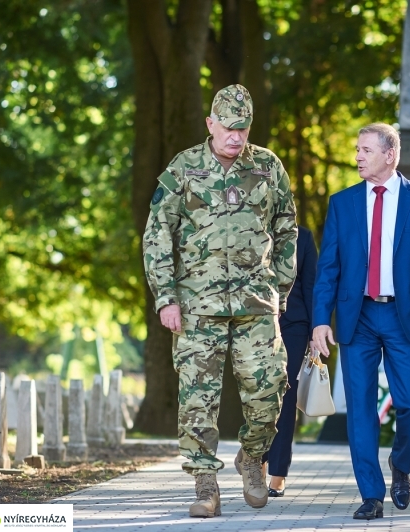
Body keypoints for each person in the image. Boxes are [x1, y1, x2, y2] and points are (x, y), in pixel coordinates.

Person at [142, 84, 297, 517]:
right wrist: (166, 298)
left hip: (256, 303)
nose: (235, 135)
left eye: (242, 128)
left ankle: (252, 457)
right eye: (228, 127)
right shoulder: (184, 168)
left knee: (269, 388)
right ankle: (205, 485)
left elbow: (286, 229)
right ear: (210, 123)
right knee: (197, 400)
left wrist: (280, 290)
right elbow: (157, 234)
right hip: (196, 305)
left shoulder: (268, 167)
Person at [311, 123, 410, 520]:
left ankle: (400, 462)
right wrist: (320, 320)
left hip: (403, 315)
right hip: (356, 316)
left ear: (389, 155)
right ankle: (371, 495)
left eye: (366, 150)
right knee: (360, 409)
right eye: (357, 150)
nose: (357, 156)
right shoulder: (342, 203)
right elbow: (328, 269)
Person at [263, 226, 318, 496]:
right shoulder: (249, 225)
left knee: (286, 395)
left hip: (294, 325)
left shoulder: (303, 237)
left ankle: (278, 471)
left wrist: (315, 332)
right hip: (255, 324)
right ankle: (258, 458)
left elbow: (311, 286)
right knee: (258, 393)